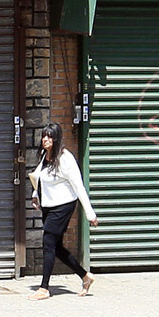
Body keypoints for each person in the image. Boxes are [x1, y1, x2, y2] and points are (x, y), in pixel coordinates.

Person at [30, 121, 96, 298]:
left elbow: (79, 186)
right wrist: (35, 194)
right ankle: (85, 276)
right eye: (44, 136)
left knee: (48, 243)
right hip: (48, 206)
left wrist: (90, 214)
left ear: (57, 138)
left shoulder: (65, 158)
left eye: (50, 136)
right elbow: (40, 177)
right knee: (56, 247)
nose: (45, 139)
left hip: (63, 206)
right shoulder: (46, 155)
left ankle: (44, 288)